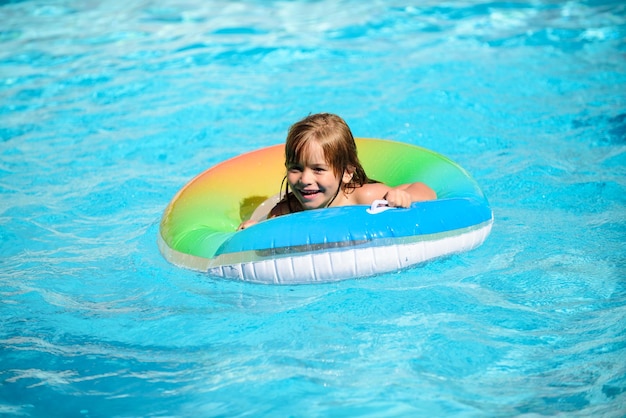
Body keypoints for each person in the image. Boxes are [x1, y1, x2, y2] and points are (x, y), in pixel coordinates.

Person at [238, 113, 436, 230]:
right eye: (296, 168)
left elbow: (425, 190)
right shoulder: (286, 211)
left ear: (347, 172)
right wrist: (253, 230)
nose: (305, 179)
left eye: (318, 169)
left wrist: (404, 196)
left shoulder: (362, 196)